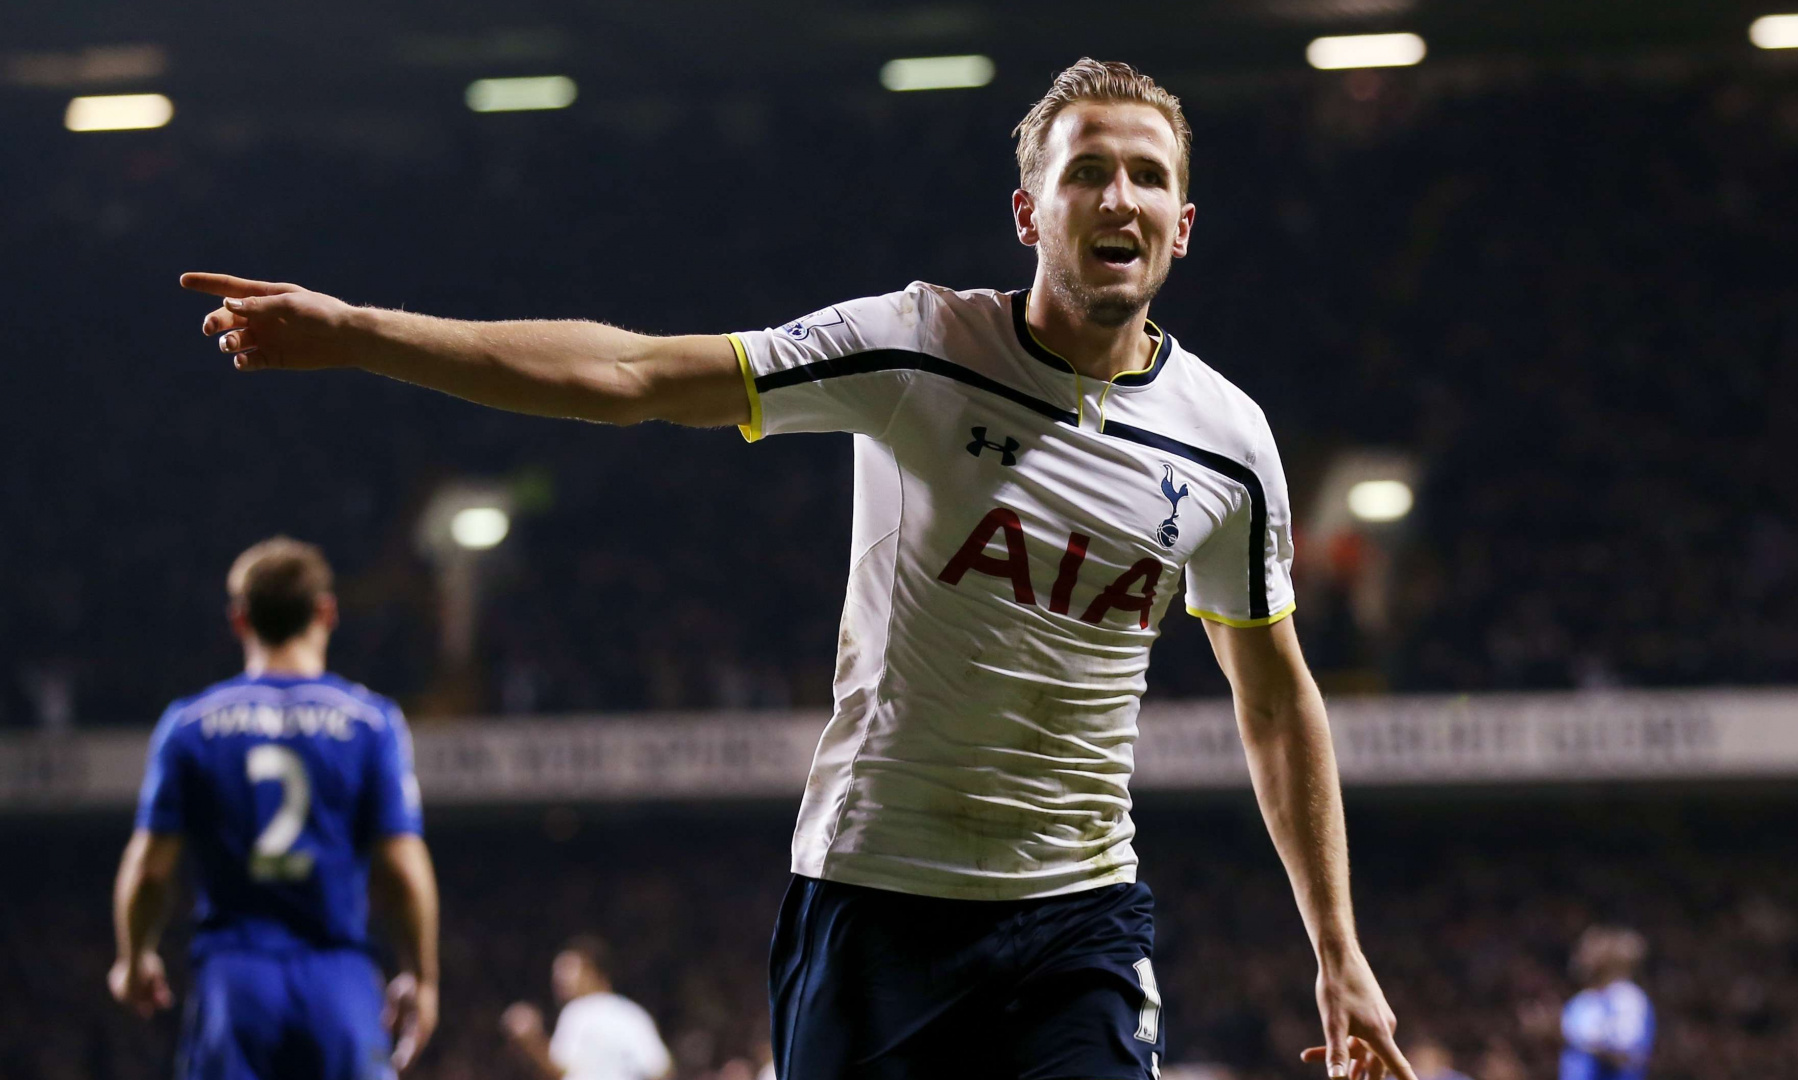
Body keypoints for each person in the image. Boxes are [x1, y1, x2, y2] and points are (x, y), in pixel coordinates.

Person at [183, 57, 1414, 1080]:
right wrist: (360, 334)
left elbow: (1276, 696)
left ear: (1183, 226)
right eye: (1085, 168)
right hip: (874, 898)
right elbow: (633, 375)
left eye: (1149, 176)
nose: (1120, 196)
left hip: (1078, 914)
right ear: (1030, 211)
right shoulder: (922, 347)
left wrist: (1339, 949)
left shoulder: (1230, 444)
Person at [109, 537, 441, 1078]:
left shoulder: (190, 725)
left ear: (240, 619)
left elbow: (149, 870)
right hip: (339, 976)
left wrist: (133, 959)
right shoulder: (371, 722)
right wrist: (421, 978)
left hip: (235, 981)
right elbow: (403, 869)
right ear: (326, 612)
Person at [501, 935, 674, 1080]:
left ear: (595, 972)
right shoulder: (633, 1013)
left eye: (569, 970)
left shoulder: (578, 1012)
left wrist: (531, 1039)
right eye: (558, 972)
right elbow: (661, 1069)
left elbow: (558, 1070)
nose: (560, 979)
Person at [1559, 927, 1654, 1080]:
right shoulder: (1581, 1001)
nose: (1581, 958)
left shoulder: (1627, 999)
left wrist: (1586, 1043)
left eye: (1590, 952)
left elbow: (1625, 1055)